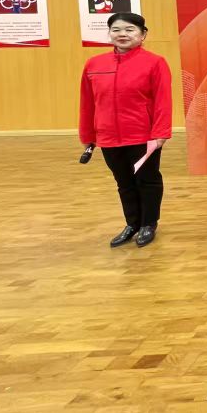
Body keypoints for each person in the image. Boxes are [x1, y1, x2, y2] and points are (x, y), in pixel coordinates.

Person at [79, 13, 172, 248]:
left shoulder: (155, 62)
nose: (122, 34)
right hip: (108, 136)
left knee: (147, 180)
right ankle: (132, 223)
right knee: (124, 182)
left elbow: (163, 100)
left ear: (142, 34)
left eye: (130, 30)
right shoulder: (94, 64)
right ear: (109, 33)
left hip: (143, 135)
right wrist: (88, 135)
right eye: (116, 30)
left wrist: (160, 133)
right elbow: (88, 102)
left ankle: (148, 223)